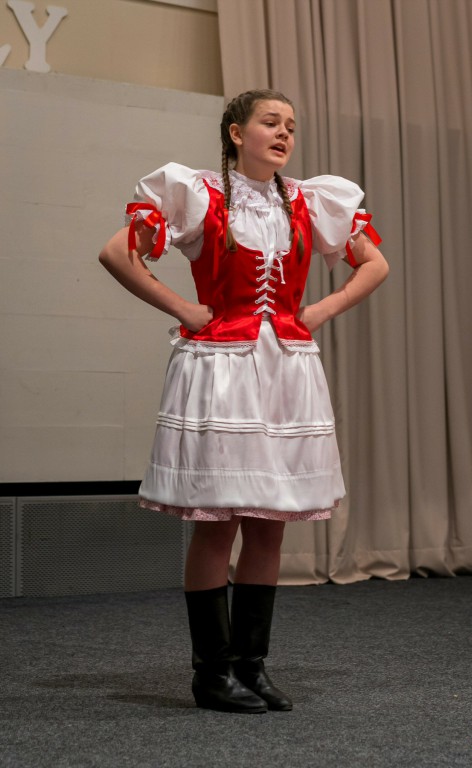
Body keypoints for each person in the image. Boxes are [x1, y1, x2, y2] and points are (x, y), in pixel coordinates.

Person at [99, 89, 389, 714]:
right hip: (222, 370)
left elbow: (375, 264)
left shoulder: (311, 200)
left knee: (269, 525)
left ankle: (251, 667)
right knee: (218, 523)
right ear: (236, 133)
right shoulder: (198, 193)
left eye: (291, 126)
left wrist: (319, 311)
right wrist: (183, 308)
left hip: (285, 369)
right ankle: (211, 673)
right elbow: (117, 252)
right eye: (270, 122)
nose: (284, 134)